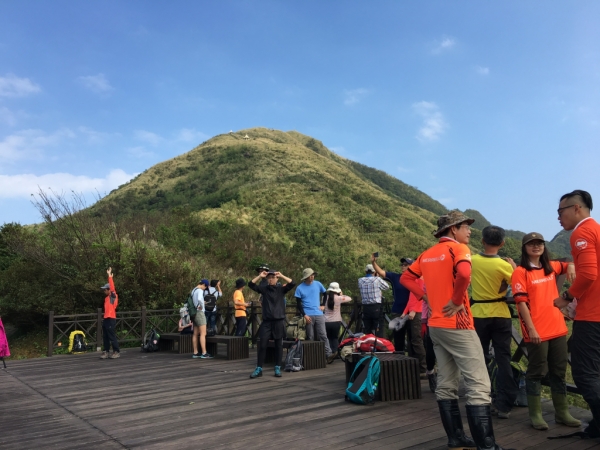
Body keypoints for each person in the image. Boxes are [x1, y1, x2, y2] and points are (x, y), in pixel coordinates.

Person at [401, 210, 512, 450]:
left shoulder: (427, 254)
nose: (469, 231)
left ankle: (456, 438)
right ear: (453, 229)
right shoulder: (460, 249)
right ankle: (487, 445)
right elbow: (463, 273)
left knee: (447, 382)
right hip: (458, 324)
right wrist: (458, 298)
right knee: (479, 385)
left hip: (436, 325)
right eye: (465, 226)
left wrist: (425, 296)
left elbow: (405, 279)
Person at [512, 232, 580, 430]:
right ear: (525, 248)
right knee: (537, 371)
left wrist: (572, 266)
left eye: (539, 243)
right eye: (531, 244)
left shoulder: (550, 266)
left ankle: (562, 413)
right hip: (537, 330)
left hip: (558, 327)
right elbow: (521, 304)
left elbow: (567, 264)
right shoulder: (521, 272)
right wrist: (531, 329)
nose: (536, 247)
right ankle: (536, 414)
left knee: (558, 371)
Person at [553, 189, 600, 438]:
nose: (558, 218)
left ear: (576, 208)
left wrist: (565, 298)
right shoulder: (597, 229)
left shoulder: (582, 232)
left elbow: (589, 274)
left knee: (584, 373)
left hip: (593, 315)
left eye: (560, 211)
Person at [470, 225, 519, 419]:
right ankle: (504, 405)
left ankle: (480, 400)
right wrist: (515, 268)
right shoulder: (505, 266)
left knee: (478, 358)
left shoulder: (472, 261)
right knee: (503, 359)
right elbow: (518, 286)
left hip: (478, 313)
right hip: (501, 314)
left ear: (482, 241)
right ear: (502, 243)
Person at [248, 270, 295, 378]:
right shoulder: (264, 289)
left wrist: (282, 275)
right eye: (269, 278)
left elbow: (292, 283)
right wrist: (260, 276)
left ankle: (277, 367)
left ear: (276, 279)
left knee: (279, 345)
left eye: (273, 277)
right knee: (262, 344)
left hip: (279, 321)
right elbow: (251, 284)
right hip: (267, 322)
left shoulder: (281, 289)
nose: (271, 279)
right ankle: (259, 368)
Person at [371, 255, 411, 350]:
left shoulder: (416, 278)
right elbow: (381, 272)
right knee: (398, 339)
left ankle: (413, 361)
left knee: (414, 338)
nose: (403, 266)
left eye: (406, 264)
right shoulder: (396, 277)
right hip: (398, 311)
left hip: (412, 312)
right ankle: (400, 360)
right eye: (402, 264)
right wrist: (373, 262)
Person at [295, 268, 335, 363]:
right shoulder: (300, 288)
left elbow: (325, 294)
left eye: (313, 275)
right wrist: (304, 315)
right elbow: (298, 303)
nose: (312, 277)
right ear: (306, 277)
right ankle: (310, 357)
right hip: (308, 314)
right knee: (310, 336)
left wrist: (322, 305)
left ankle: (328, 354)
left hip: (319, 313)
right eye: (310, 275)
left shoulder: (318, 284)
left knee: (323, 334)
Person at [400, 277, 427, 377]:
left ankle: (422, 368)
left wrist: (414, 310)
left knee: (417, 340)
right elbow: (411, 299)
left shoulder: (421, 280)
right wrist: (404, 312)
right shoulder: (413, 281)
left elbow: (422, 296)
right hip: (410, 313)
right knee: (411, 340)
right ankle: (413, 367)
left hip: (417, 313)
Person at [358, 263, 389, 337]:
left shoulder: (360, 280)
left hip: (365, 307)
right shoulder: (377, 279)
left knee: (367, 328)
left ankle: (368, 346)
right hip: (376, 306)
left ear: (365, 271)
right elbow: (386, 287)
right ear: (375, 272)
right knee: (378, 327)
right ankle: (378, 345)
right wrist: (377, 276)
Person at [323, 282, 352, 357]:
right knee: (335, 337)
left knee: (328, 337)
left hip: (326, 321)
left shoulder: (324, 297)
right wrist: (341, 294)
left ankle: (329, 353)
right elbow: (349, 298)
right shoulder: (339, 298)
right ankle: (335, 352)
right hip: (336, 321)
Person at [100, 267, 120, 359]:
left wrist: (109, 276)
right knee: (105, 336)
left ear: (108, 290)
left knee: (112, 336)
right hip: (106, 318)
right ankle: (106, 351)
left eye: (105, 289)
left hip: (111, 318)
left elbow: (112, 288)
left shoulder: (113, 296)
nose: (104, 291)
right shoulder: (106, 298)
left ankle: (116, 351)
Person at [191, 279, 213, 359]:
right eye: (205, 287)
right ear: (204, 284)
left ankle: (195, 352)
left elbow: (195, 301)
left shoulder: (193, 290)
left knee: (195, 333)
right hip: (200, 313)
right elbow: (199, 299)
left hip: (194, 313)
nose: (205, 289)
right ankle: (204, 352)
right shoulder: (200, 290)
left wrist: (200, 303)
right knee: (203, 333)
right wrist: (201, 305)